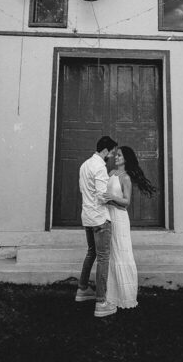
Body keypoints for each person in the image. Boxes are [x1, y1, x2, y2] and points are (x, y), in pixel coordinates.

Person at [104, 145, 157, 310]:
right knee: (112, 254)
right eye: (116, 155)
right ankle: (112, 296)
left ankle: (126, 297)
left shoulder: (125, 178)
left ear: (126, 159)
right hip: (108, 215)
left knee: (122, 254)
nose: (116, 157)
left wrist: (112, 197)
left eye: (119, 155)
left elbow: (126, 202)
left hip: (119, 218)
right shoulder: (111, 173)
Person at [76, 135, 117, 317]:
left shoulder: (84, 165)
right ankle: (101, 303)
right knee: (103, 258)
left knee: (91, 253)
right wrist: (117, 201)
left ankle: (82, 289)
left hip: (87, 216)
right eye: (112, 153)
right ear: (105, 150)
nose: (112, 156)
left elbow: (83, 190)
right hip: (100, 218)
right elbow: (101, 195)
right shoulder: (100, 167)